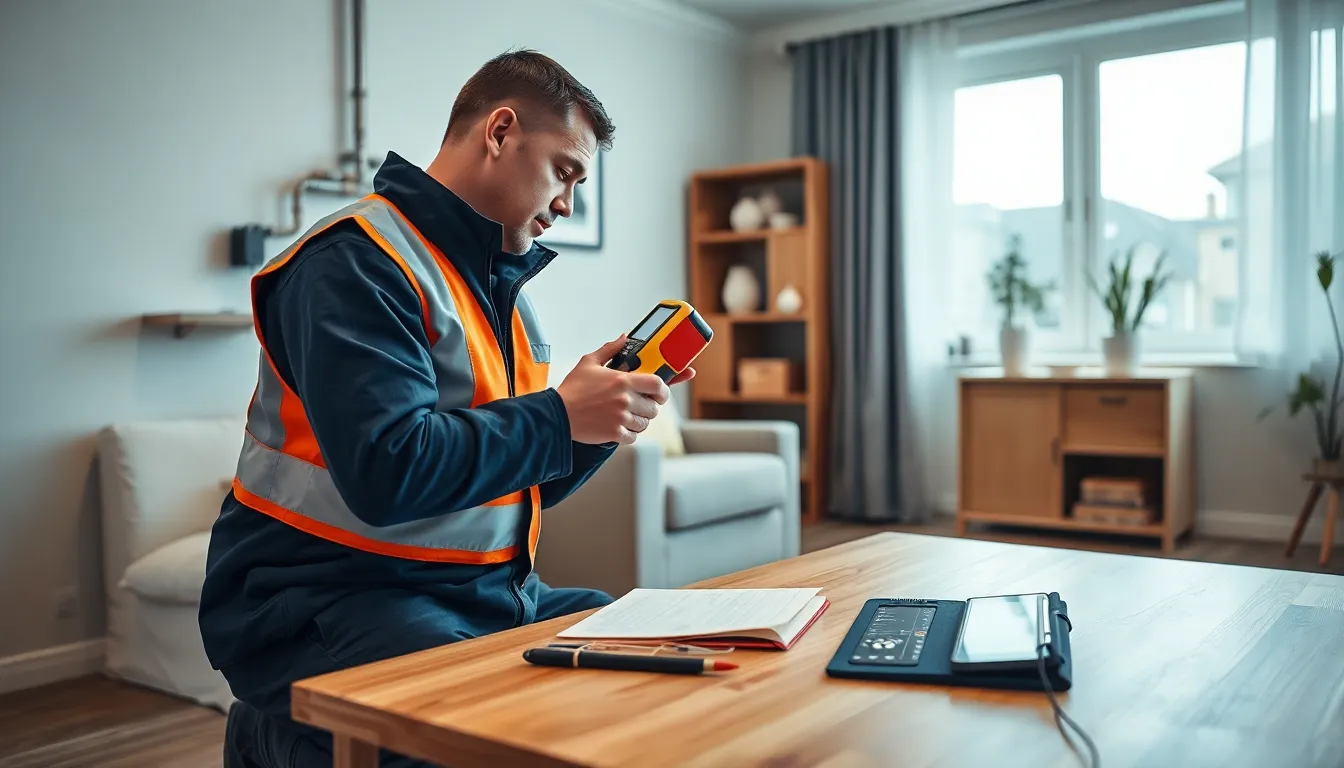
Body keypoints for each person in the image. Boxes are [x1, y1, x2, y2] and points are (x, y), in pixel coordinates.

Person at [202, 49, 693, 767]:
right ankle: (278, 738)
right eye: (566, 172)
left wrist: (593, 427)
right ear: (499, 132)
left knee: (652, 658)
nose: (568, 204)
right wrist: (558, 417)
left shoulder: (502, 299)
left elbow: (511, 485)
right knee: (471, 738)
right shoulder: (354, 261)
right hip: (326, 602)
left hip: (480, 597)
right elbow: (389, 470)